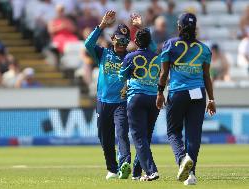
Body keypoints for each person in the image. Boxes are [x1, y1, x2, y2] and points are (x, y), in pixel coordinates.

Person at [156, 13, 216, 185]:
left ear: (179, 27)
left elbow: (163, 73)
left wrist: (160, 93)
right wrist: (211, 99)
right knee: (193, 135)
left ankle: (182, 159)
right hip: (199, 93)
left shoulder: (169, 44)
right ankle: (191, 175)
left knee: (173, 131)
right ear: (195, 28)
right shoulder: (204, 49)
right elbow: (206, 76)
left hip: (178, 93)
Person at [85, 10, 132, 180]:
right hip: (103, 101)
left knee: (121, 133)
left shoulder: (130, 57)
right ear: (113, 39)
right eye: (119, 40)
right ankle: (112, 169)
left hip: (121, 102)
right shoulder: (103, 54)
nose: (122, 44)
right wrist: (102, 25)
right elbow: (88, 45)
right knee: (104, 136)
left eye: (125, 41)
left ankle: (125, 164)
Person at [119, 28, 160, 181]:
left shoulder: (130, 56)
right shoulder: (157, 58)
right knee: (146, 136)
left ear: (135, 42)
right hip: (154, 98)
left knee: (138, 137)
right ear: (150, 42)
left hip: (136, 98)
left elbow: (121, 75)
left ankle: (151, 171)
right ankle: (137, 172)